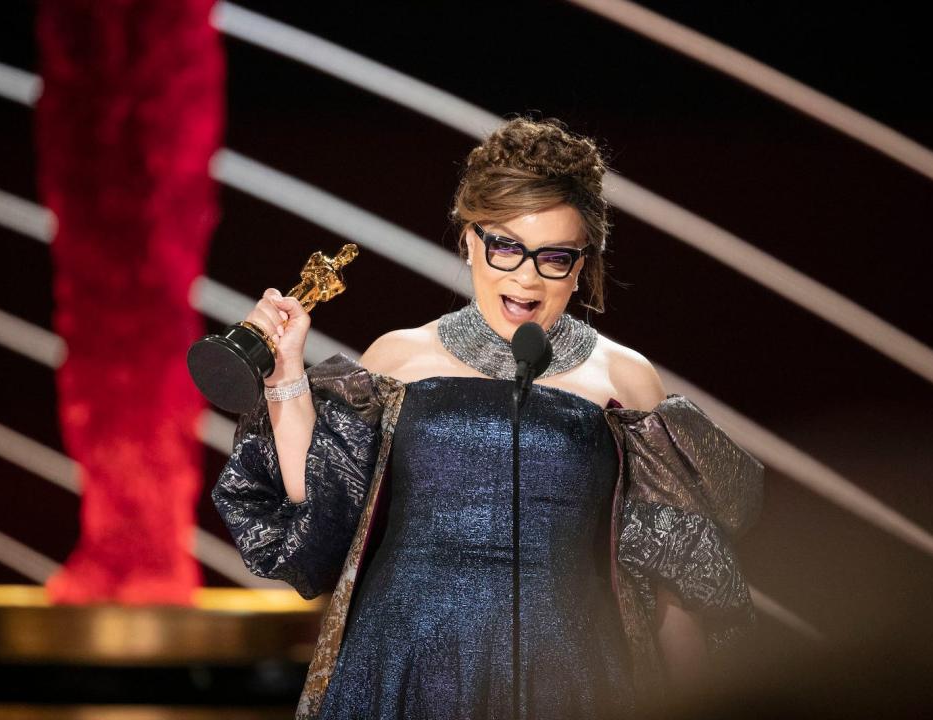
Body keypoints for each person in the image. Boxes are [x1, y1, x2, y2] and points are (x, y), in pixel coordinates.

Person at [212, 118, 764, 720]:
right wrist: (286, 376)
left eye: (554, 257)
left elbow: (672, 583)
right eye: (505, 246)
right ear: (469, 240)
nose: (526, 277)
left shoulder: (625, 378)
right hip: (403, 665)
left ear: (583, 264)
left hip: (569, 673)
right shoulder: (399, 357)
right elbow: (320, 519)